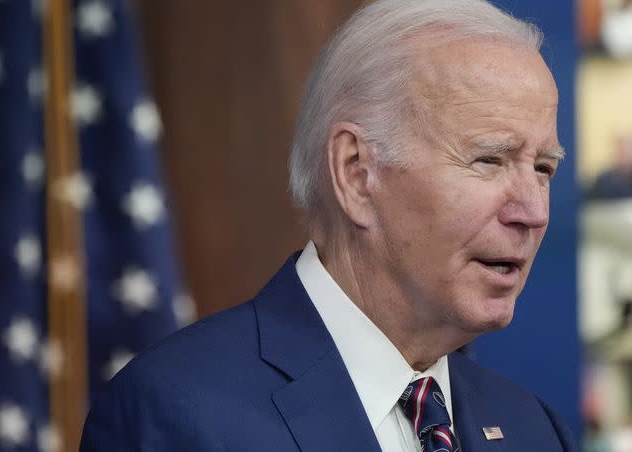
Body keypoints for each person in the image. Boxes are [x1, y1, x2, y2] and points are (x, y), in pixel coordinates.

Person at [80, 0, 577, 450]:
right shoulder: (174, 414)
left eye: (544, 169)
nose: (532, 212)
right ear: (356, 173)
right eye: (489, 160)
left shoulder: (533, 428)